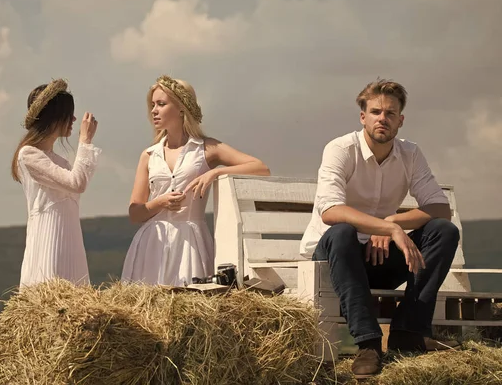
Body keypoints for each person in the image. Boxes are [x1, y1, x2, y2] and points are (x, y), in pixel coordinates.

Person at [300, 79, 460, 379]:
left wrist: (391, 224)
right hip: (335, 259)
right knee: (343, 231)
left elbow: (440, 209)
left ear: (400, 120)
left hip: (380, 256)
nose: (381, 118)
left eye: (389, 113)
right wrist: (389, 230)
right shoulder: (340, 149)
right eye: (375, 112)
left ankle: (409, 331)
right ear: (363, 117)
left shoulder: (410, 154)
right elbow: (331, 211)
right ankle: (369, 343)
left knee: (443, 231)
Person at [121, 75, 270, 286]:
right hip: (152, 243)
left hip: (190, 242)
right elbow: (135, 213)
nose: (154, 110)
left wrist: (214, 173)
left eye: (161, 104)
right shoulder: (149, 154)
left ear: (181, 107)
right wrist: (160, 202)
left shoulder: (206, 148)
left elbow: (260, 168)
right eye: (152, 105)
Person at [11, 79, 101, 288]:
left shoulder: (60, 161)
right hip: (48, 242)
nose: (74, 119)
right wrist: (85, 142)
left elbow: (78, 181)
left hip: (69, 241)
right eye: (69, 115)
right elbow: (77, 183)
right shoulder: (29, 154)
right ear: (55, 117)